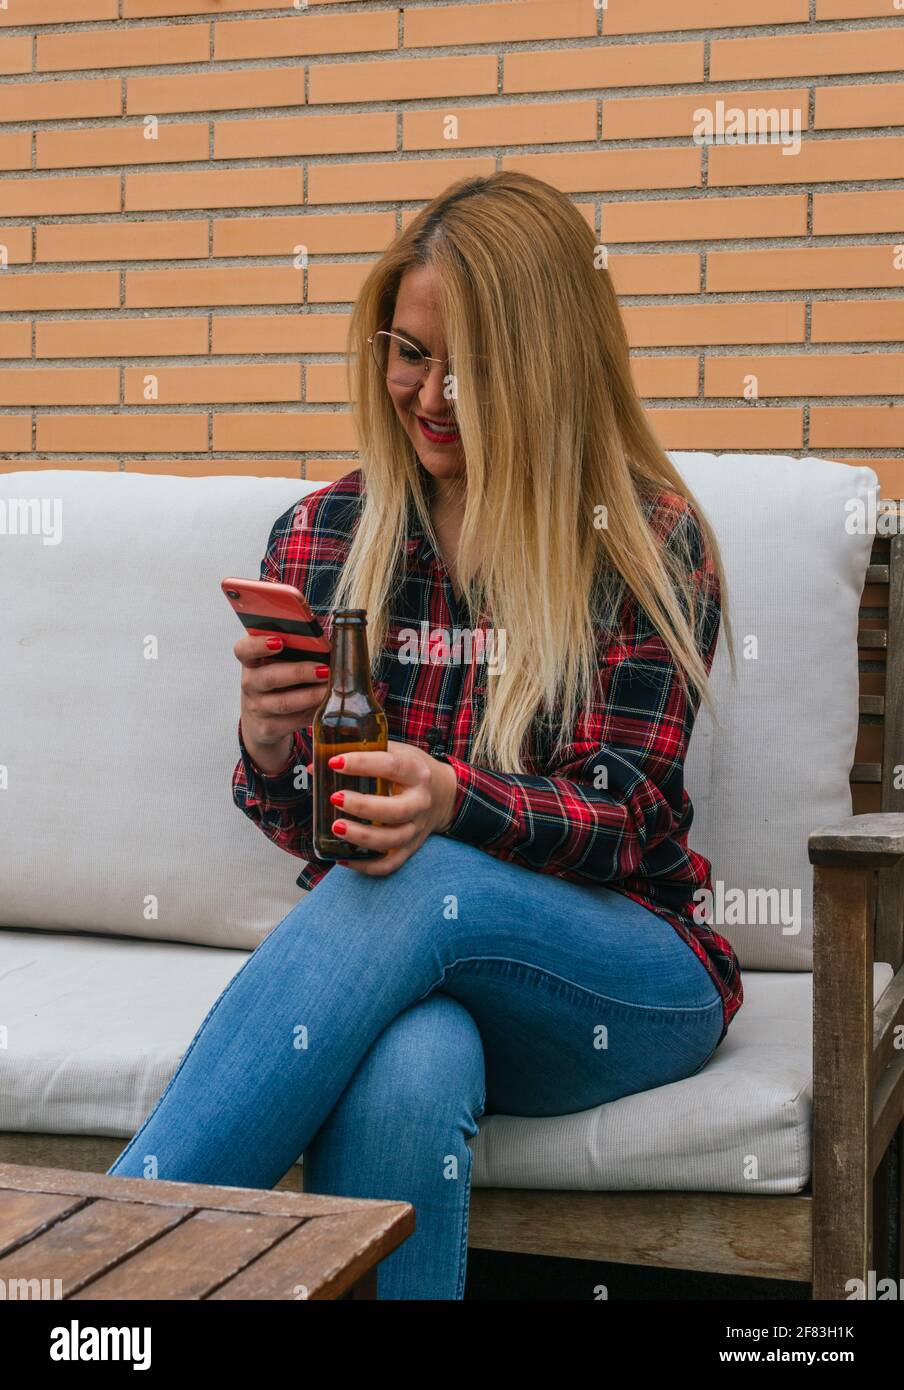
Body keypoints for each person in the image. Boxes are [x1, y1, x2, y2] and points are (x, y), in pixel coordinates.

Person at [107, 171, 743, 1300]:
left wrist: (451, 799)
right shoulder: (327, 531)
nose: (432, 393)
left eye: (476, 369)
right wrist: (268, 747)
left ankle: (104, 1277)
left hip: (626, 974)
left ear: (548, 366)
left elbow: (628, 816)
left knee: (423, 880)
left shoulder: (639, 537)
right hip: (418, 970)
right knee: (411, 1060)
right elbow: (304, 820)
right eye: (408, 352)